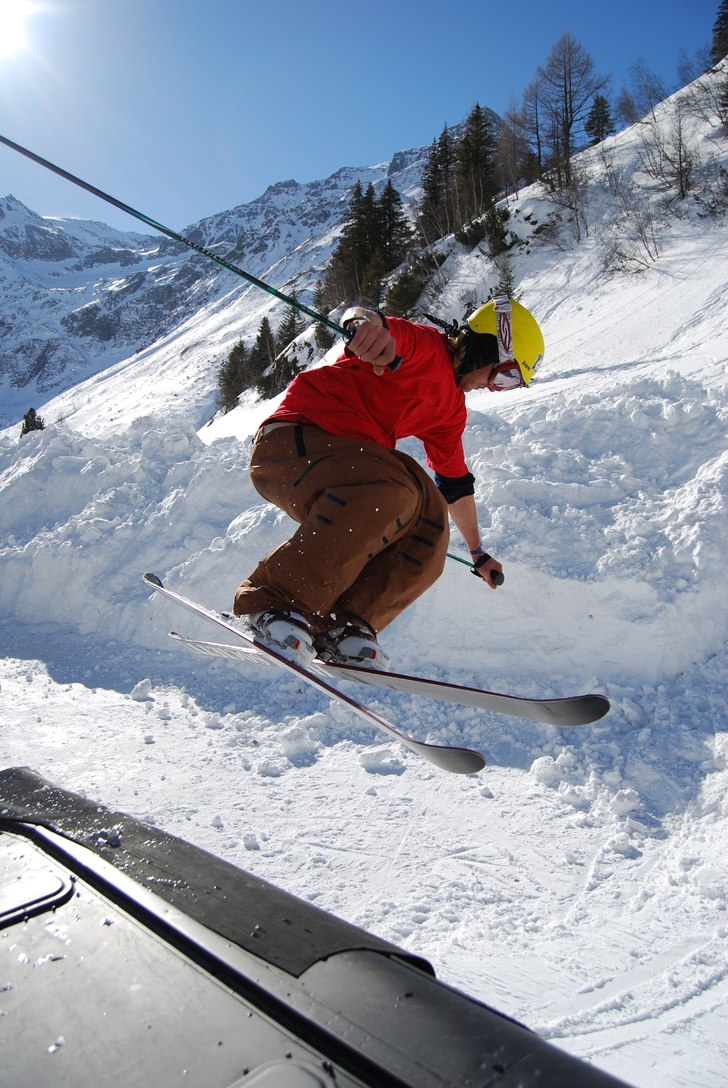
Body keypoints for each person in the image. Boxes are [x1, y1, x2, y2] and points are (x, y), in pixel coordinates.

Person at [231, 296, 544, 670]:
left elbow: (456, 483)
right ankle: (271, 599)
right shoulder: (425, 347)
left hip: (348, 464)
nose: (495, 388)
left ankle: (346, 624)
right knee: (395, 489)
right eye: (504, 375)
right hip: (292, 442)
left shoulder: (451, 411)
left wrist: (477, 552)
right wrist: (366, 329)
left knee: (429, 516)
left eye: (509, 385)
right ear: (485, 348)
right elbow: (369, 320)